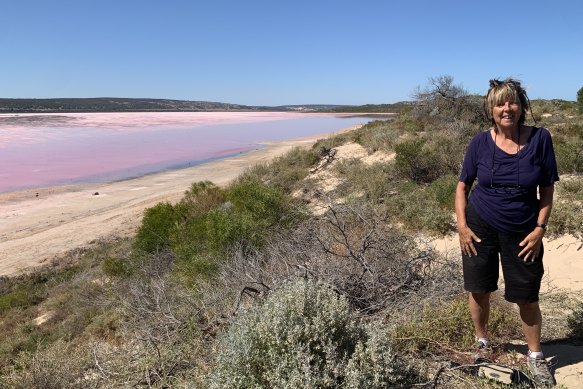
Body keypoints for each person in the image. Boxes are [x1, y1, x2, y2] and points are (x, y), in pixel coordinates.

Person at [455, 79, 559, 387]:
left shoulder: (540, 139)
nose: (506, 108)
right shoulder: (479, 143)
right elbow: (462, 186)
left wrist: (540, 228)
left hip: (523, 229)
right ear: (490, 109)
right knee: (478, 288)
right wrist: (462, 226)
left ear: (521, 106)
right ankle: (482, 344)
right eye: (500, 103)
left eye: (512, 102)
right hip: (479, 225)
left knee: (526, 295)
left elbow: (547, 188)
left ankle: (536, 357)